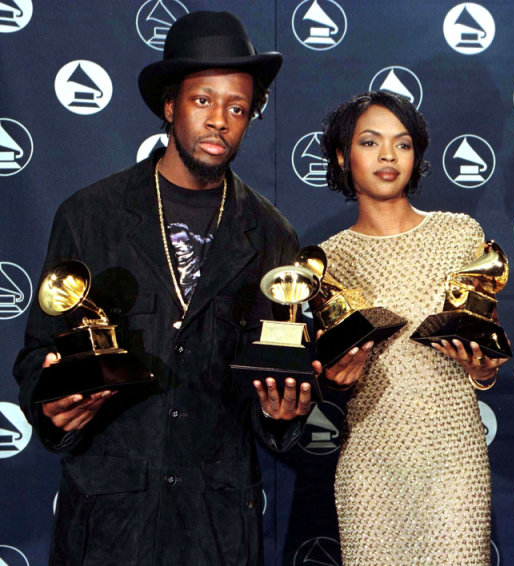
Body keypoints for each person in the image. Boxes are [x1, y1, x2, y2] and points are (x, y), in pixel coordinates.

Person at [13, 11, 366, 566]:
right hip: (109, 524)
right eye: (203, 100)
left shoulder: (272, 233)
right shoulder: (90, 214)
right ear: (170, 105)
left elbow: (278, 371)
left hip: (217, 526)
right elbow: (39, 352)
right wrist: (50, 406)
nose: (220, 120)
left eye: (238, 107)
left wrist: (285, 414)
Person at [317, 90, 508, 565]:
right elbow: (327, 370)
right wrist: (335, 379)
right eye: (369, 142)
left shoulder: (459, 233)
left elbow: (490, 352)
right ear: (343, 156)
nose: (387, 156)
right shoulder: (327, 259)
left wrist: (483, 368)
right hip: (371, 465)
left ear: (417, 156)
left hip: (453, 458)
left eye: (402, 144)